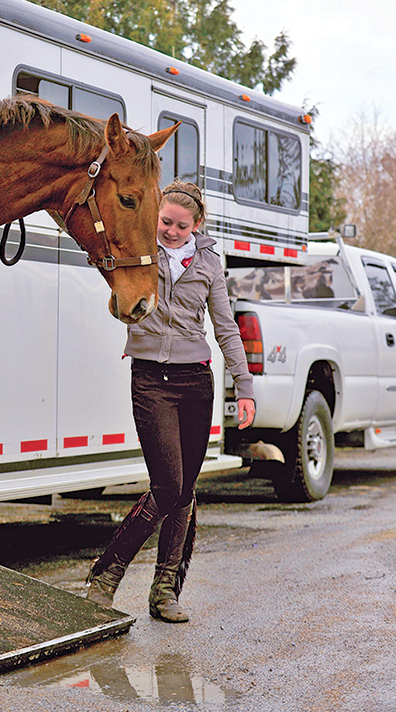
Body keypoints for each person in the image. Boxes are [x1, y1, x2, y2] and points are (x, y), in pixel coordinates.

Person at [86, 179, 255, 622]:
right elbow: (116, 289)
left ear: (196, 225)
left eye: (182, 226)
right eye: (166, 222)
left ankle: (164, 592)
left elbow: (225, 327)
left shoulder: (210, 262)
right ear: (156, 215)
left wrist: (245, 385)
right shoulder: (140, 250)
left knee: (185, 492)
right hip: (150, 380)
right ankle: (105, 576)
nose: (172, 231)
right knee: (167, 486)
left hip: (195, 381)